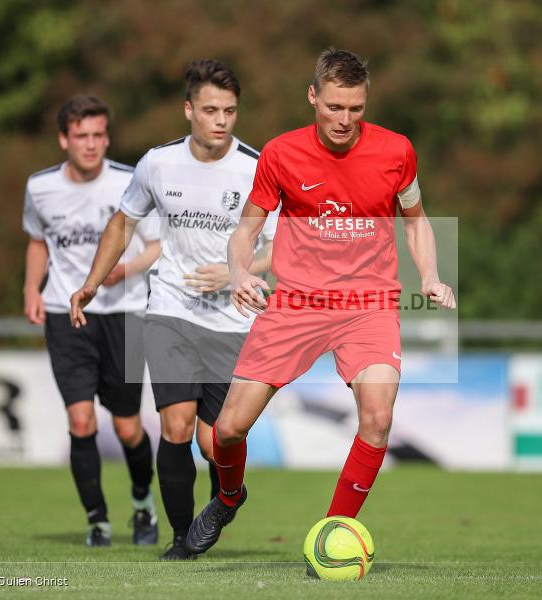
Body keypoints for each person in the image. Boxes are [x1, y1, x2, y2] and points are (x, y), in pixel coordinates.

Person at [184, 48, 457, 555]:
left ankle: (335, 534)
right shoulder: (281, 154)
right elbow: (246, 231)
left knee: (377, 418)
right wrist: (240, 272)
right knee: (227, 428)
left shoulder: (397, 152)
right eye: (334, 107)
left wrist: (431, 276)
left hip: (369, 303)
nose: (344, 120)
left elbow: (416, 220)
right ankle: (226, 497)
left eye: (355, 108)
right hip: (296, 304)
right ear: (313, 97)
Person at [69, 60, 276, 560]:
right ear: (189, 110)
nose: (221, 120)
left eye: (229, 111)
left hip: (233, 321)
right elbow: (122, 224)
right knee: (176, 426)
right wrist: (91, 283)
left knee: (215, 444)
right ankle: (183, 540)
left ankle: (224, 501)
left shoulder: (257, 167)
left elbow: (284, 246)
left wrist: (237, 273)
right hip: (169, 310)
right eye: (210, 110)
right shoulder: (157, 164)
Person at [23, 95, 162, 547]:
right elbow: (37, 240)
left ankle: (143, 504)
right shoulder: (40, 187)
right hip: (66, 315)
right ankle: (97, 520)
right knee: (81, 421)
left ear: (107, 137)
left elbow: (156, 245)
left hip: (125, 315)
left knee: (127, 426)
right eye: (81, 136)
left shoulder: (130, 182)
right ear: (64, 139)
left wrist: (124, 269)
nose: (91, 144)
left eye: (98, 135)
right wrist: (31, 289)